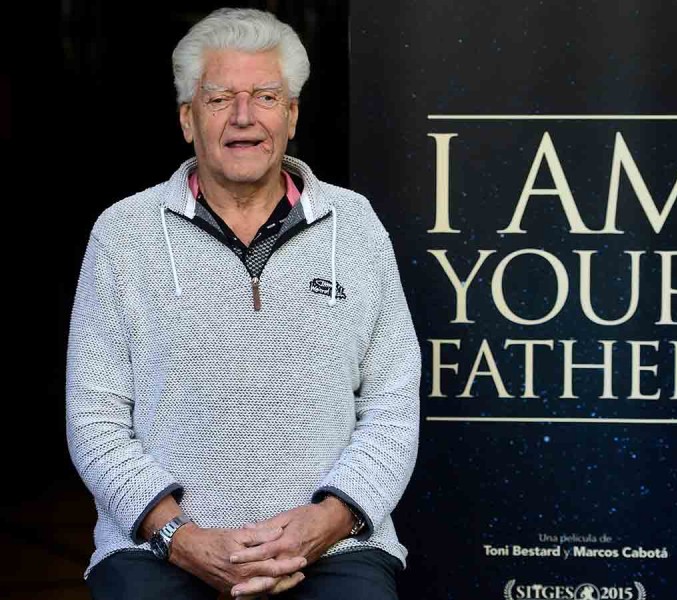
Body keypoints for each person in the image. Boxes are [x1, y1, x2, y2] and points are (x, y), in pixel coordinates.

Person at [66, 8, 420, 599]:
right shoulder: (122, 234)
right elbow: (93, 416)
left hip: (335, 547)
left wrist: (326, 523)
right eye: (219, 98)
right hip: (162, 549)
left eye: (265, 96)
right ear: (187, 119)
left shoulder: (356, 225)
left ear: (292, 115)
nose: (243, 116)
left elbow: (393, 405)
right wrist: (180, 537)